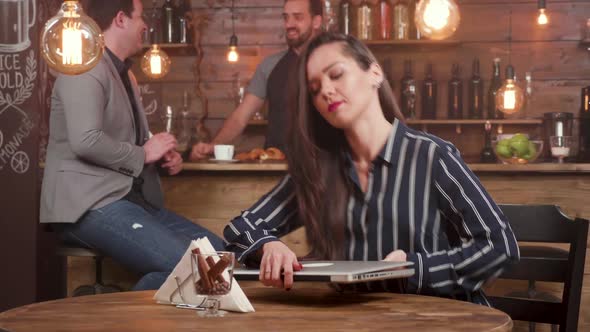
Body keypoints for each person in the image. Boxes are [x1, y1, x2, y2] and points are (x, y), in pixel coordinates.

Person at [224, 32, 520, 305]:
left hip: (443, 320)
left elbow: (500, 248)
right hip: (356, 322)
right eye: (314, 89)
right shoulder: (320, 169)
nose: (326, 90)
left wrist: (412, 268)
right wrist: (268, 246)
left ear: (374, 73)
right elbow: (241, 227)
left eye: (336, 74)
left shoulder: (432, 156)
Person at [39, 0, 223, 291]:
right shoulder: (84, 66)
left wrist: (160, 158)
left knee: (219, 257)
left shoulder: (127, 75)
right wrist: (144, 152)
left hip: (131, 201)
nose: (147, 26)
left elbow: (129, 144)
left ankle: (107, 309)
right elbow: (85, 141)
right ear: (121, 19)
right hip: (88, 205)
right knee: (190, 264)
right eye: (141, 18)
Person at [190, 0, 323, 159]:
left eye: (298, 17)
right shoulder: (270, 65)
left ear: (316, 21)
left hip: (324, 167)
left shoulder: (332, 63)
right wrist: (213, 146)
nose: (289, 24)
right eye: (286, 18)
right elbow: (240, 118)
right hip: (276, 166)